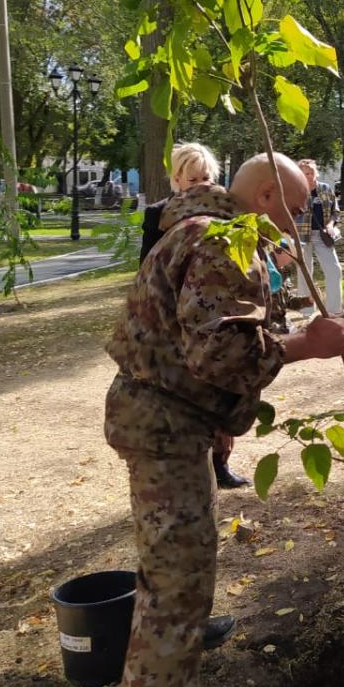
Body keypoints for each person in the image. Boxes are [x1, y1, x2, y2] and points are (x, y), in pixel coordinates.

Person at [100, 153, 344, 687]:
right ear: (267, 195)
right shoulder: (222, 241)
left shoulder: (198, 228)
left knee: (173, 595)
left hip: (170, 418)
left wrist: (218, 411)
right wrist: (307, 343)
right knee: (173, 609)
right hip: (164, 428)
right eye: (294, 210)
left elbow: (183, 343)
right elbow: (218, 353)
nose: (296, 226)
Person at [139, 142, 249, 490]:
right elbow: (146, 267)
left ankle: (221, 463)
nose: (200, 184)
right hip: (174, 317)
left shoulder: (225, 211)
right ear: (177, 179)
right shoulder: (159, 214)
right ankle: (190, 466)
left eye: (206, 177)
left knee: (222, 388)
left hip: (213, 313)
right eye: (192, 178)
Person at [295, 158, 344, 316]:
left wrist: (330, 224)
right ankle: (306, 310)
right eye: (304, 173)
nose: (308, 176)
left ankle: (334, 310)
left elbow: (335, 212)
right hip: (301, 235)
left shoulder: (325, 188)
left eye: (311, 172)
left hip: (322, 235)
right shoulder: (295, 190)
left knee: (334, 270)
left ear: (316, 172)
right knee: (304, 272)